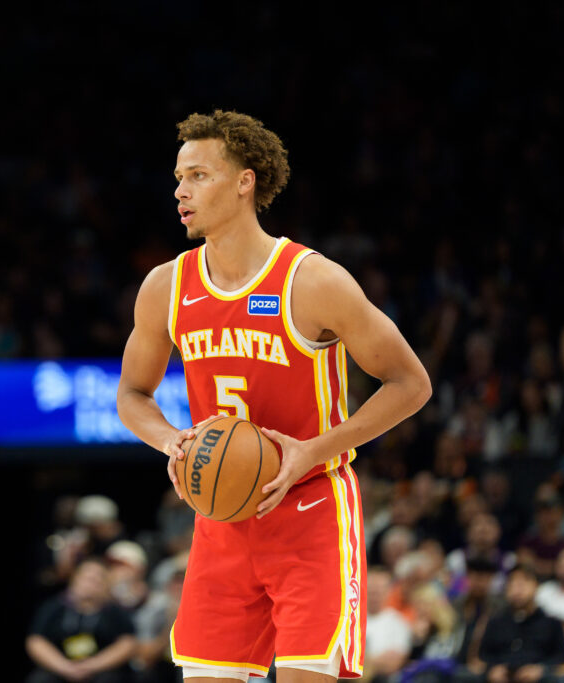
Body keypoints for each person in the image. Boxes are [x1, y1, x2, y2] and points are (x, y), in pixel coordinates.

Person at [118, 109, 432, 681]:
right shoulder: (166, 286)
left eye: (198, 176)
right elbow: (133, 394)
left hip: (310, 513)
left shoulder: (312, 280)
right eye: (178, 177)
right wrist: (171, 441)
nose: (180, 190)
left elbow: (411, 383)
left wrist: (314, 450)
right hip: (221, 519)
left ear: (245, 181)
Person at [26, 558, 137, 683]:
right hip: (60, 666)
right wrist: (64, 667)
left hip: (101, 669)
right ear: (74, 579)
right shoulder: (54, 607)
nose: (91, 584)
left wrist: (92, 665)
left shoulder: (115, 611)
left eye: (97, 580)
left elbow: (127, 643)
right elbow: (36, 641)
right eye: (87, 578)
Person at [467, 563, 564, 683]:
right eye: (512, 583)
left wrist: (542, 671)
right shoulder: (494, 623)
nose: (517, 589)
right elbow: (479, 658)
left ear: (536, 586)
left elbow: (563, 661)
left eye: (523, 582)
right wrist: (491, 670)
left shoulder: (552, 623)